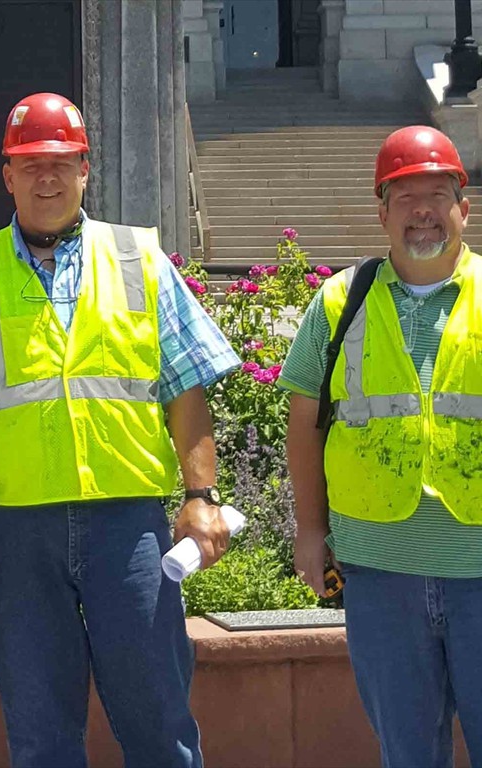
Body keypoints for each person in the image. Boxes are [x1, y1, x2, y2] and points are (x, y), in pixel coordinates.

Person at [0, 92, 239, 768]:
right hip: (14, 536)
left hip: (128, 529)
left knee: (158, 723)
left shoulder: (140, 259)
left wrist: (200, 496)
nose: (46, 178)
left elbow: (186, 390)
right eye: (30, 164)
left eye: (61, 163)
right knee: (42, 736)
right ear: (7, 176)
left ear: (86, 169)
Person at [283, 125, 482, 767]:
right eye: (404, 197)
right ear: (381, 211)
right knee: (407, 754)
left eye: (436, 194)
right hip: (379, 574)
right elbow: (304, 424)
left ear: (464, 206)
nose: (422, 211)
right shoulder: (341, 301)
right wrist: (310, 532)